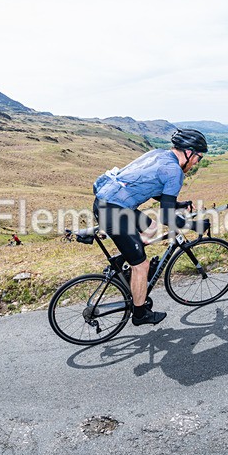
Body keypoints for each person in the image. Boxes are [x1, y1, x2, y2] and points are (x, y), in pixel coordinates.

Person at [92, 128, 209, 326]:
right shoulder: (175, 172)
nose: (198, 161)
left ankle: (125, 262)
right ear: (189, 152)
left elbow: (152, 186)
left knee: (151, 227)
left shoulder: (159, 154)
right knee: (142, 265)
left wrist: (177, 204)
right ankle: (140, 314)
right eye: (199, 156)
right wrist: (194, 225)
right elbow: (167, 217)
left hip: (107, 202)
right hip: (114, 211)